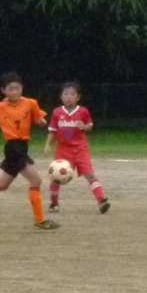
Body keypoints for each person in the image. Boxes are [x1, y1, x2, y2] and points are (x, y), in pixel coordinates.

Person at [0, 72, 60, 230]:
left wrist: (42, 122)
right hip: (13, 148)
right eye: (10, 89)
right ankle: (40, 219)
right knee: (36, 181)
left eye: (17, 88)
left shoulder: (30, 103)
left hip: (23, 146)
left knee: (2, 185)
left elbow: (39, 119)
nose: (14, 92)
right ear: (3, 90)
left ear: (22, 88)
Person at [44, 81, 110, 214]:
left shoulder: (83, 111)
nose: (69, 96)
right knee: (55, 177)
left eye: (72, 94)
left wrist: (84, 126)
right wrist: (48, 144)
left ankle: (102, 201)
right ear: (61, 96)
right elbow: (53, 130)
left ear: (78, 97)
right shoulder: (57, 112)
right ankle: (54, 203)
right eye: (66, 94)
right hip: (63, 150)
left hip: (80, 149)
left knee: (90, 175)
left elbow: (90, 126)